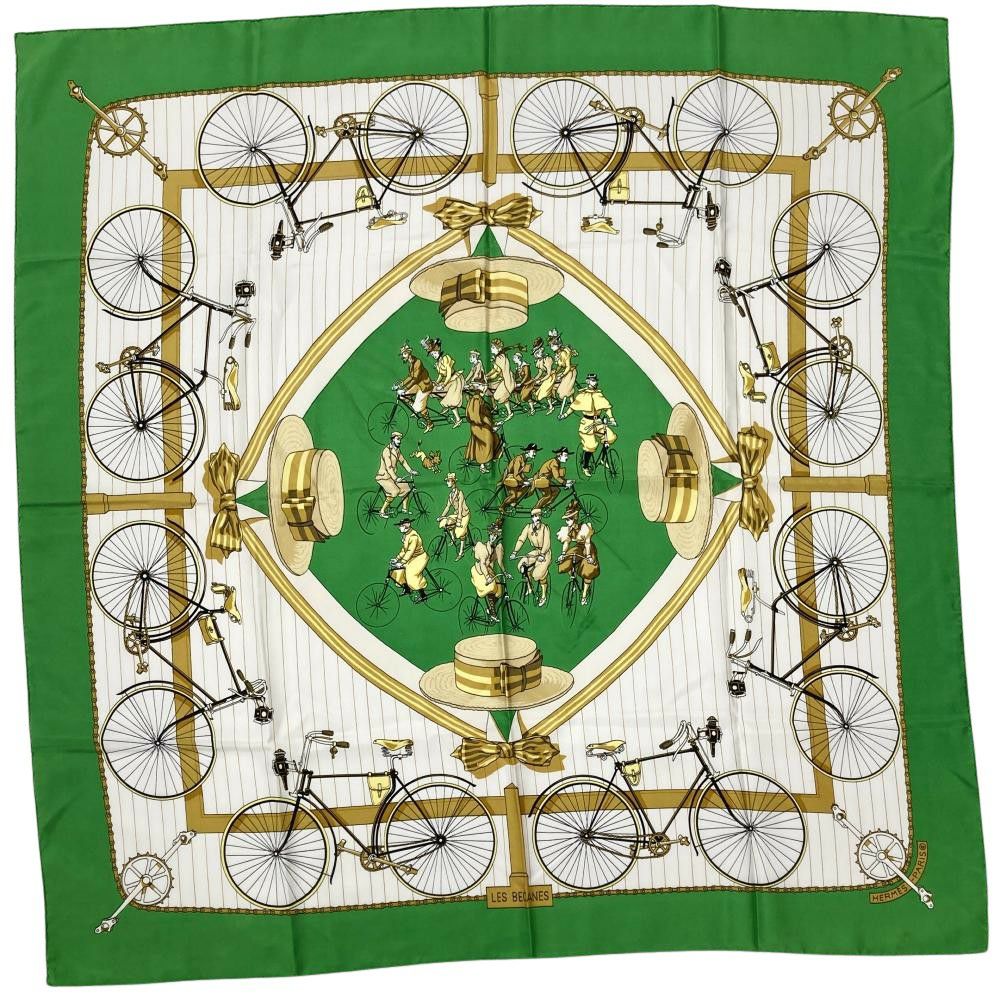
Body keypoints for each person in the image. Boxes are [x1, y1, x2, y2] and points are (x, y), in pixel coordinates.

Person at [564, 372, 617, 477]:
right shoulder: (582, 395)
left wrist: (611, 418)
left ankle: (603, 459)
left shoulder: (598, 394)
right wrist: (565, 414)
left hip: (598, 422)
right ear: (588, 382)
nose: (595, 382)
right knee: (591, 445)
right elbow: (573, 407)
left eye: (595, 380)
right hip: (586, 423)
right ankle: (585, 466)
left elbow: (607, 408)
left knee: (610, 437)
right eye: (593, 381)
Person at [557, 499, 600, 606]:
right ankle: (573, 578)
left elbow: (587, 543)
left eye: (569, 519)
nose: (567, 522)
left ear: (575, 518)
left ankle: (584, 594)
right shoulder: (567, 529)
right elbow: (566, 543)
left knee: (588, 570)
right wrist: (563, 554)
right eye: (567, 519)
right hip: (578, 547)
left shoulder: (584, 527)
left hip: (588, 548)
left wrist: (589, 556)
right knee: (566, 560)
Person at [510, 507, 552, 607]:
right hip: (535, 551)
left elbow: (547, 542)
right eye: (535, 516)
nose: (537, 518)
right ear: (532, 517)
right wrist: (515, 552)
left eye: (539, 516)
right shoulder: (528, 527)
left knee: (538, 574)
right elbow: (521, 539)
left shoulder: (545, 528)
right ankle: (529, 587)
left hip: (545, 552)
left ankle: (543, 595)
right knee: (522, 565)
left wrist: (542, 554)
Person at [375, 430, 417, 517]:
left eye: (400, 439)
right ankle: (382, 511)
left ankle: (404, 509)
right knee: (395, 491)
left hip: (392, 477)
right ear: (393, 439)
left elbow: (403, 461)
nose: (399, 441)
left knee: (406, 487)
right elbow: (389, 467)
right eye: (397, 439)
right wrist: (396, 478)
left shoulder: (397, 450)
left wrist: (410, 471)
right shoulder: (386, 451)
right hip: (384, 477)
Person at [423, 337, 464, 427]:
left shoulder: (446, 358)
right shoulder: (438, 362)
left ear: (438, 350)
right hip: (448, 381)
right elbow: (441, 375)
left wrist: (443, 385)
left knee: (450, 399)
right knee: (433, 390)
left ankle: (458, 419)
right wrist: (437, 382)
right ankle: (445, 406)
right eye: (432, 354)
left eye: (434, 353)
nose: (433, 355)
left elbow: (448, 374)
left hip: (455, 380)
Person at [471, 520, 506, 622]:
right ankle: (492, 612)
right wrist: (487, 577)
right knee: (491, 587)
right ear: (489, 534)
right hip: (479, 572)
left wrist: (505, 572)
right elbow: (482, 564)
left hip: (489, 571)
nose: (493, 537)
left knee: (499, 591)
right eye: (492, 534)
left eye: (496, 535)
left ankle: (490, 608)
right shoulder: (482, 548)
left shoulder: (494, 549)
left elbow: (499, 562)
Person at [395, 344, 434, 432]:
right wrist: (400, 385)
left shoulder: (417, 362)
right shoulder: (411, 364)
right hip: (418, 385)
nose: (403, 356)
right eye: (403, 354)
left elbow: (415, 378)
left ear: (409, 353)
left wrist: (405, 388)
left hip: (425, 386)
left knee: (420, 407)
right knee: (404, 396)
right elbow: (410, 377)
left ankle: (429, 423)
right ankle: (415, 408)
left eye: (404, 354)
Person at [389, 516, 428, 601]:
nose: (400, 527)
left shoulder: (413, 536)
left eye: (401, 525)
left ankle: (423, 595)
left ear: (407, 525)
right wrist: (397, 559)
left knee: (411, 574)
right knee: (398, 571)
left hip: (419, 557)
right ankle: (407, 589)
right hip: (410, 558)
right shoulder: (406, 535)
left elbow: (410, 551)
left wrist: (402, 562)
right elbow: (404, 550)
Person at [464, 388, 502, 474]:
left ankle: (492, 457)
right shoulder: (476, 400)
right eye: (483, 386)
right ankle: (482, 463)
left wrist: (493, 423)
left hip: (482, 425)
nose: (485, 387)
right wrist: (491, 425)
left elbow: (485, 413)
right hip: (479, 427)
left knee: (495, 437)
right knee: (487, 441)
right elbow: (477, 416)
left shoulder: (479, 399)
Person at [438, 471, 470, 560]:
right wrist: (442, 516)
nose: (447, 483)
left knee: (460, 533)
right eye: (447, 481)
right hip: (457, 513)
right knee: (447, 523)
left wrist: (459, 521)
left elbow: (460, 507)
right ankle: (453, 538)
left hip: (464, 514)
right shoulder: (450, 495)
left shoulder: (460, 493)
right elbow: (448, 507)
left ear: (453, 482)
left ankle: (461, 552)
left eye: (449, 481)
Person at [499, 442, 539, 514]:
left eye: (535, 452)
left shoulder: (524, 459)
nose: (535, 454)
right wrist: (524, 482)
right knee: (514, 495)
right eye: (533, 452)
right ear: (528, 451)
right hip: (510, 478)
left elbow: (520, 474)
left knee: (526, 488)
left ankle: (513, 503)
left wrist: (527, 479)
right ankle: (502, 507)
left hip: (515, 479)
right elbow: (516, 474)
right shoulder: (519, 459)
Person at [549, 329, 579, 418]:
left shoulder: (564, 353)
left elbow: (568, 367)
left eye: (553, 345)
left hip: (570, 372)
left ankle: (565, 410)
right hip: (564, 371)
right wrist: (556, 371)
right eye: (551, 345)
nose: (551, 347)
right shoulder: (557, 354)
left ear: (558, 345)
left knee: (564, 390)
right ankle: (572, 402)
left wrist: (561, 375)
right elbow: (560, 365)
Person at [533, 445, 572, 511]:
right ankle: (536, 509)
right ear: (559, 455)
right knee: (547, 495)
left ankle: (545, 506)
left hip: (546, 480)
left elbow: (559, 475)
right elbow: (556, 477)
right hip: (542, 480)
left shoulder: (557, 462)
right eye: (565, 455)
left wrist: (566, 481)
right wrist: (565, 483)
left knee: (556, 490)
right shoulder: (554, 463)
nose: (567, 457)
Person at [486, 337, 516, 421]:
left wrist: (487, 378)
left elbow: (497, 372)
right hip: (503, 379)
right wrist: (486, 376)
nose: (491, 349)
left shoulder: (500, 358)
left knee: (497, 396)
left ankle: (509, 412)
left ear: (498, 348)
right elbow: (494, 370)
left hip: (507, 380)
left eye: (493, 347)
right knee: (488, 388)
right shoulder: (499, 357)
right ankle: (494, 407)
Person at [530, 337, 557, 414]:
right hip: (545, 376)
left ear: (541, 351)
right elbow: (540, 373)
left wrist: (540, 380)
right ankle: (537, 400)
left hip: (551, 376)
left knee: (544, 388)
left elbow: (548, 373)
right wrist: (535, 379)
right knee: (533, 385)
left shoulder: (547, 359)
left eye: (537, 353)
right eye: (535, 354)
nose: (535, 355)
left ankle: (551, 406)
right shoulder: (539, 361)